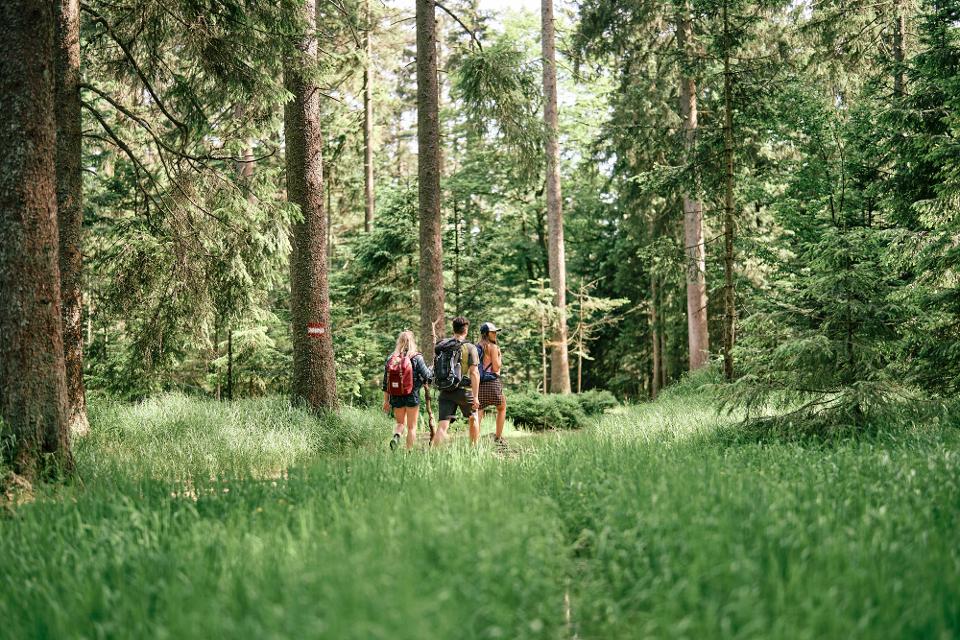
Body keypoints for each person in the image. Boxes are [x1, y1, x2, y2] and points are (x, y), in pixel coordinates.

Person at [431, 316, 480, 446]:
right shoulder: (470, 347)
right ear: (466, 330)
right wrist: (475, 397)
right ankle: (474, 451)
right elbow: (474, 373)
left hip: (445, 390)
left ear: (453, 329)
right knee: (473, 417)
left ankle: (432, 455)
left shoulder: (444, 345)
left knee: (442, 425)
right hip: (464, 392)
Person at [382, 330, 433, 450]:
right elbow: (427, 376)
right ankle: (409, 453)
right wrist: (431, 369)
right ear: (412, 342)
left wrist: (386, 401)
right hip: (412, 395)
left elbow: (386, 383)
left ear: (399, 342)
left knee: (400, 423)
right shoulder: (416, 357)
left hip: (396, 396)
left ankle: (396, 435)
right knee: (412, 427)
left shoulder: (391, 358)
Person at [476, 322, 507, 445]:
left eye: (495, 332)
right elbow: (496, 367)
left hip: (479, 383)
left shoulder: (477, 346)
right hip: (492, 382)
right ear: (486, 334)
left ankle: (475, 441)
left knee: (479, 410)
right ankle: (498, 437)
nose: (495, 334)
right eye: (492, 332)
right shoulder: (493, 347)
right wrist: (499, 356)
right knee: (502, 407)